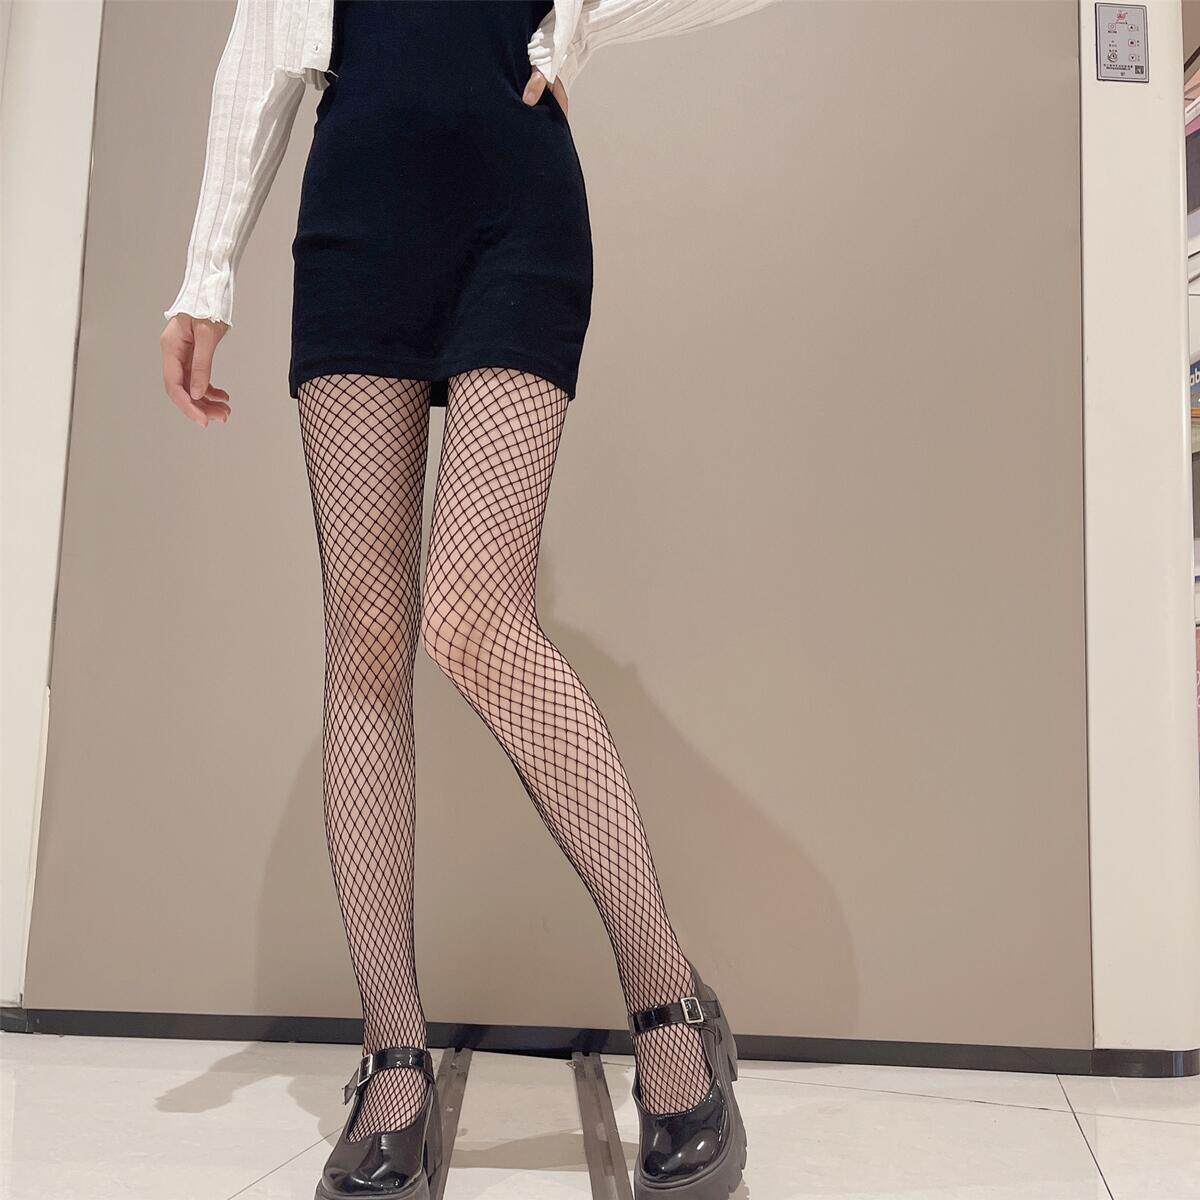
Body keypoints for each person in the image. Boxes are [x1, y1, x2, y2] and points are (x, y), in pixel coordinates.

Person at [159, 2, 774, 1197]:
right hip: (358, 208)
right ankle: (394, 1057)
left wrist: (577, 25)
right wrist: (206, 272)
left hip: (514, 199)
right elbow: (256, 47)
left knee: (474, 617)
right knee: (366, 639)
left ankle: (671, 1006)